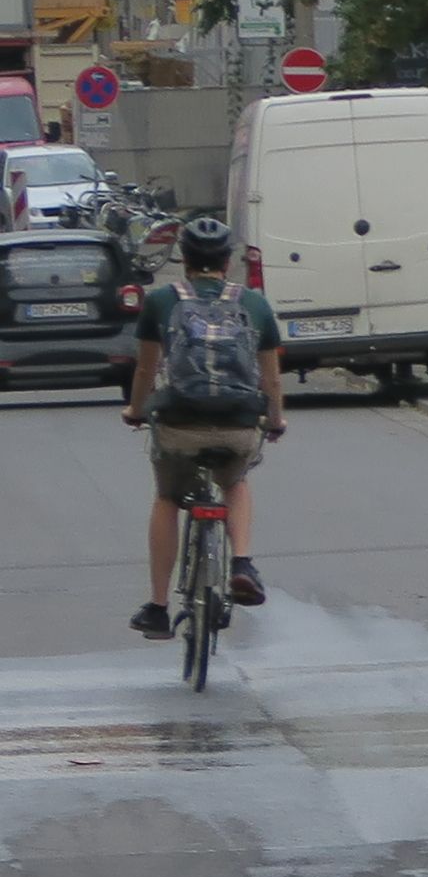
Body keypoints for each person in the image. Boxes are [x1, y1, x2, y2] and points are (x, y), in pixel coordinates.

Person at [119, 213, 287, 640]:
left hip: (179, 423)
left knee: (167, 498)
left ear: (185, 259)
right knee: (236, 481)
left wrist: (135, 411)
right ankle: (243, 562)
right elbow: (270, 379)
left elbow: (145, 369)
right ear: (227, 262)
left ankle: (158, 608)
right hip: (238, 424)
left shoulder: (161, 301)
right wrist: (276, 419)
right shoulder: (254, 304)